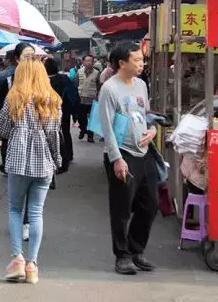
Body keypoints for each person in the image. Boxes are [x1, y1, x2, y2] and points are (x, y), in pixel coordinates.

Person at [0, 57, 62, 284]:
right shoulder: (51, 100)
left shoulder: (14, 99)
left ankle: (17, 259)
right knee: (36, 212)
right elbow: (53, 136)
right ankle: (32, 265)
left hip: (19, 163)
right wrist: (57, 159)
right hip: (43, 163)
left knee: (14, 209)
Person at [98, 41, 159, 276]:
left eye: (142, 60)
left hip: (145, 152)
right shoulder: (109, 89)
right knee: (121, 208)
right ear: (122, 63)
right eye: (137, 60)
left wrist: (153, 130)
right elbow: (107, 128)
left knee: (150, 204)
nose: (142, 64)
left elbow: (146, 115)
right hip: (122, 154)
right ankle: (122, 256)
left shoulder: (142, 85)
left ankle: (136, 250)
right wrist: (116, 159)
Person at [0, 43, 33, 173]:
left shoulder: (1, 76)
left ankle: (8, 165)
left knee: (7, 139)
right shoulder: (33, 75)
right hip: (27, 116)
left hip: (10, 114)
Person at [45, 57, 78, 173]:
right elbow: (73, 93)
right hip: (65, 109)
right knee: (65, 131)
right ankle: (69, 155)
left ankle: (62, 159)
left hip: (52, 111)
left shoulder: (45, 81)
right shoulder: (65, 78)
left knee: (56, 133)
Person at [76, 55, 101, 142]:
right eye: (87, 61)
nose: (89, 63)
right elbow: (76, 84)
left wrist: (98, 97)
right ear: (83, 62)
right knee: (81, 117)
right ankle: (83, 130)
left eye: (90, 61)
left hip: (92, 99)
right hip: (81, 99)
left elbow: (99, 86)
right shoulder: (79, 72)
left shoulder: (97, 73)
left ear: (93, 62)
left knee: (92, 119)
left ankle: (90, 136)